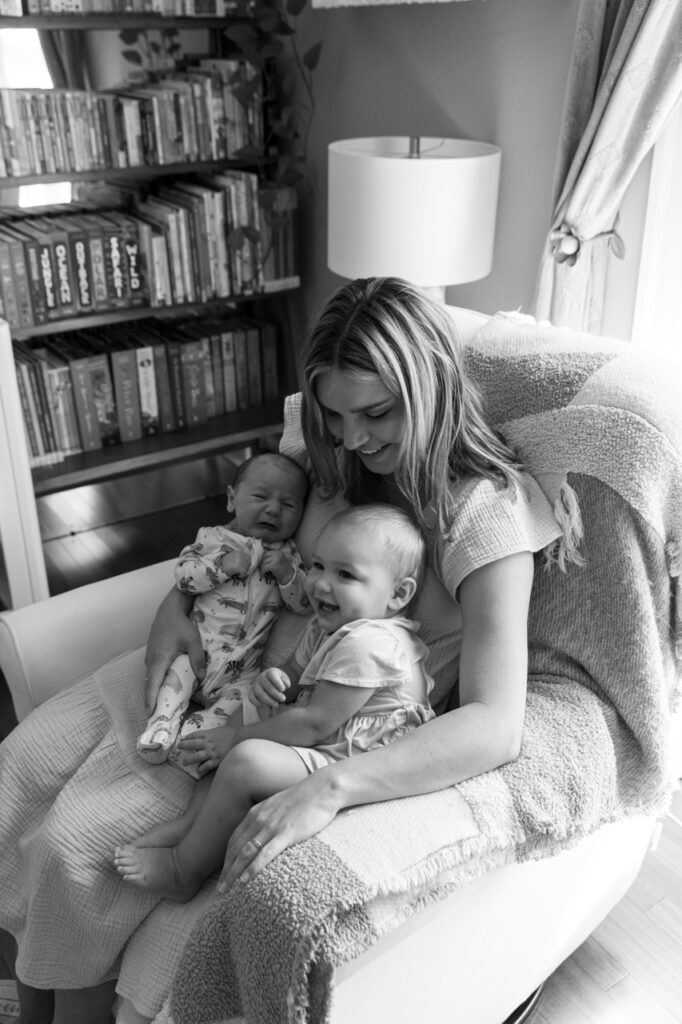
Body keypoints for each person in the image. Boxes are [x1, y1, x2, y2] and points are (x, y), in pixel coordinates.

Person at [0, 276, 563, 1024]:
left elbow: (496, 722)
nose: (354, 437)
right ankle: (29, 992)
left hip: (278, 722)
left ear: (430, 386)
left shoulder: (485, 516)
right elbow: (248, 549)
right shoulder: (330, 460)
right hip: (212, 673)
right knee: (21, 762)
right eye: (333, 413)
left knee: (79, 850)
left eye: (376, 413)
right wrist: (173, 612)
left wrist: (329, 788)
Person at [114, 503, 433, 901]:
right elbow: (292, 679)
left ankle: (184, 868)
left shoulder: (373, 643)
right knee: (237, 726)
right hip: (325, 744)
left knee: (244, 758)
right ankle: (193, 824)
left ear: (398, 594)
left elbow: (313, 724)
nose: (319, 584)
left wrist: (237, 737)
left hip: (356, 762)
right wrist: (272, 682)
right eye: (317, 566)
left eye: (345, 574)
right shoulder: (328, 627)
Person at [137, 451, 310, 776]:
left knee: (243, 703)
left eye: (288, 505)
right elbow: (185, 577)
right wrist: (221, 566)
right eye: (260, 496)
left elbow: (303, 604)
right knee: (177, 677)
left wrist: (288, 575)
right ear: (232, 499)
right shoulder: (212, 538)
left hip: (242, 671)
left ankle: (190, 742)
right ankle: (161, 726)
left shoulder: (288, 554)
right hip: (196, 650)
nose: (273, 509)